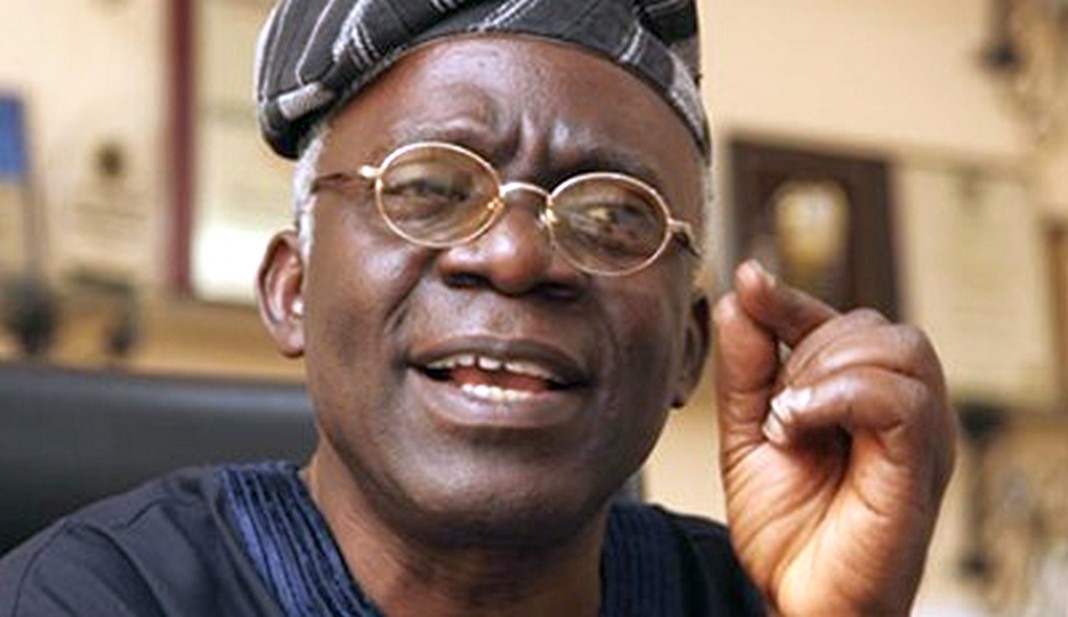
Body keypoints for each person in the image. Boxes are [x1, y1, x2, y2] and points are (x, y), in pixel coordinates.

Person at [0, 1, 956, 615]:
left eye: (613, 215)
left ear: (687, 350)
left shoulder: (762, 600)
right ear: (291, 289)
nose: (515, 256)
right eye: (427, 190)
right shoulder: (100, 597)